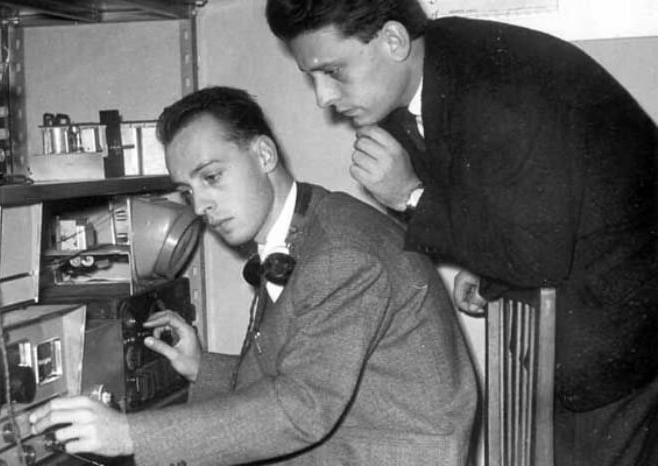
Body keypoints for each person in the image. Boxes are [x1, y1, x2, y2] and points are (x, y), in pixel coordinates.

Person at [265, 1, 658, 464]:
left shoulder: (498, 86)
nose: (323, 97)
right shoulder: (430, 72)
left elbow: (538, 258)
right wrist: (482, 259)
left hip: (622, 316)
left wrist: (410, 196)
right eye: (312, 77)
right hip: (587, 306)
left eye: (332, 71)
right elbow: (506, 196)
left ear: (393, 40)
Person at [30, 86, 478, 465]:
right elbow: (310, 369)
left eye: (211, 177)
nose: (200, 206)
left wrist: (127, 435)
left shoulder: (342, 254)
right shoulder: (309, 225)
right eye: (187, 191)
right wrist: (203, 367)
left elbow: (301, 408)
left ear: (263, 154)